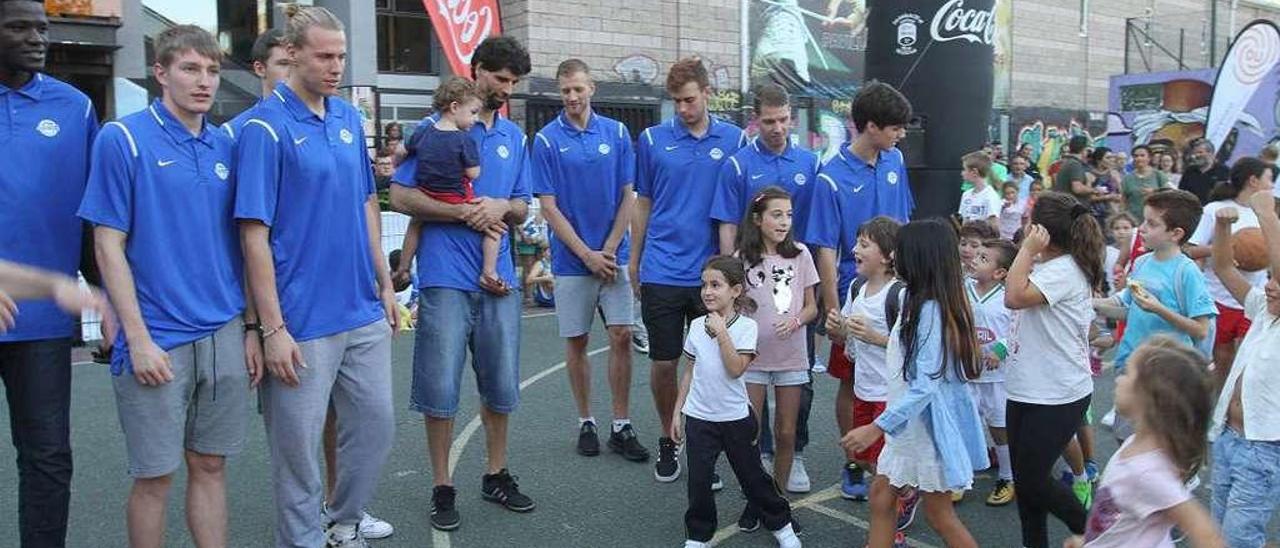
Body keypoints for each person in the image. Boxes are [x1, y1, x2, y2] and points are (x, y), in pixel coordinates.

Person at [79, 25, 255, 548]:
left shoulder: (224, 142)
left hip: (222, 330)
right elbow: (107, 245)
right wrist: (135, 339)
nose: (203, 81)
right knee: (154, 477)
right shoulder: (123, 137)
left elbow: (241, 243)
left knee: (210, 464)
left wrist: (250, 327)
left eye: (212, 70)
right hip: (156, 335)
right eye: (189, 69)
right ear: (161, 73)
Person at [234, 7, 399, 547]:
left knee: (376, 425)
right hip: (301, 320)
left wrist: (384, 284)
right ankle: (301, 540)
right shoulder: (264, 127)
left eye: (341, 56)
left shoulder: (349, 119)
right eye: (324, 56)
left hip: (361, 309)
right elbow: (253, 234)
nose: (335, 66)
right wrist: (270, 329)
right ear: (294, 53)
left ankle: (346, 519)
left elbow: (366, 203)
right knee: (297, 455)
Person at [388, 35, 534, 532]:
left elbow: (521, 205)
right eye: (498, 79)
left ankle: (496, 473)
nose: (505, 90)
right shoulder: (433, 128)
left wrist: (498, 209)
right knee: (440, 385)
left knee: (499, 383)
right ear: (476, 71)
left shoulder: (514, 138)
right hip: (446, 277)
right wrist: (462, 212)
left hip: (499, 280)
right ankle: (442, 484)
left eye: (513, 83)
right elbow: (402, 197)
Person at [0, 1, 100, 544]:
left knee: (47, 457)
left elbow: (93, 217)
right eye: (18, 27)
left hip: (41, 323)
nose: (36, 38)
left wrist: (111, 302)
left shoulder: (75, 107)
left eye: (41, 27)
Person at [631, 57, 747, 484]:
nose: (682, 108)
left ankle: (704, 446)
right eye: (676, 101)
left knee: (708, 364)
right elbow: (642, 202)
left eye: (690, 100)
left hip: (710, 276)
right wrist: (634, 259)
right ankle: (668, 436)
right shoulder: (652, 139)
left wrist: (732, 268)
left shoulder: (734, 139)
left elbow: (737, 206)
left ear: (707, 93)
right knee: (664, 364)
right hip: (661, 270)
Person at [842, 219, 988, 548]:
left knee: (939, 515)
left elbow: (925, 386)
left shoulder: (930, 310)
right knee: (881, 496)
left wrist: (876, 427)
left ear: (918, 258)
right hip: (909, 426)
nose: (895, 256)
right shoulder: (915, 298)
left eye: (901, 251)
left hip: (925, 429)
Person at [531, 59, 648, 462]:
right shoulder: (546, 140)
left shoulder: (616, 133)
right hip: (570, 262)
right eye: (565, 91)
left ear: (591, 87)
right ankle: (586, 421)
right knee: (577, 341)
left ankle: (621, 423)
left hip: (612, 257)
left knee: (620, 336)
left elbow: (628, 195)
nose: (572, 97)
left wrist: (611, 249)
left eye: (578, 89)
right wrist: (586, 254)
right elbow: (548, 206)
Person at [799, 81, 913, 491]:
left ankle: (902, 458)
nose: (900, 135)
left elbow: (904, 227)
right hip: (856, 297)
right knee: (853, 381)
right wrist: (836, 313)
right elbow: (825, 251)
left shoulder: (895, 161)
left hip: (900, 293)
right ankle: (854, 460)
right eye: (895, 127)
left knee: (906, 374)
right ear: (869, 126)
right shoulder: (830, 179)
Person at [711, 83, 820, 493]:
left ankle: (794, 458)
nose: (777, 128)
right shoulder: (738, 164)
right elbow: (726, 223)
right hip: (754, 289)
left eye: (783, 119)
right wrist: (729, 283)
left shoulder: (810, 162)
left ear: (792, 116)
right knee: (747, 406)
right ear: (756, 120)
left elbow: (819, 223)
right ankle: (752, 477)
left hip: (795, 287)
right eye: (769, 120)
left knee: (799, 390)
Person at [671, 256, 801, 548]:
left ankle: (781, 524)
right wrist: (678, 412)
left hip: (734, 418)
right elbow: (690, 371)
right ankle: (697, 535)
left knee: (753, 478)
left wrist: (721, 334)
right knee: (699, 483)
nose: (707, 291)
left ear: (735, 291)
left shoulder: (746, 328)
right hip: (700, 417)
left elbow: (735, 368)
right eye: (704, 284)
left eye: (716, 285)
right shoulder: (694, 326)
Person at [1004, 191, 1105, 548]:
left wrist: (1027, 250)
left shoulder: (1062, 270)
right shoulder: (1052, 266)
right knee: (1028, 488)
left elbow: (1013, 297)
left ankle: (1102, 534)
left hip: (1057, 394)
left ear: (1041, 230)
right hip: (1027, 388)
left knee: (1032, 482)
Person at [1063, 337, 1223, 548]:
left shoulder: (1147, 472)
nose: (1119, 378)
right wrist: (1088, 540)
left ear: (1149, 398)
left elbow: (1207, 535)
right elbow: (1114, 515)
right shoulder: (1134, 444)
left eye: (1128, 373)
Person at [736, 186, 818, 529]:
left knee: (786, 432)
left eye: (788, 214)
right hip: (752, 360)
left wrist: (796, 319)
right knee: (750, 433)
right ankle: (758, 499)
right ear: (758, 219)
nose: (784, 221)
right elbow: (733, 303)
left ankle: (777, 501)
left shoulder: (800, 255)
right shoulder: (742, 256)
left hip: (791, 358)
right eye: (776, 214)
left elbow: (812, 306)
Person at [1208, 190, 1280, 548]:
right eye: (1268, 277)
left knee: (1239, 539)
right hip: (1229, 438)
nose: (1269, 285)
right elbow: (1223, 267)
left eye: (1276, 281)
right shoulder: (1263, 310)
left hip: (1264, 448)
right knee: (1220, 531)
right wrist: (1222, 227)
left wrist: (1266, 213)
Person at [822, 216, 901, 503]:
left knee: (884, 468)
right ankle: (905, 493)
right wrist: (837, 328)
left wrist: (874, 337)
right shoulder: (857, 287)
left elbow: (912, 346)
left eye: (864, 244)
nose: (855, 249)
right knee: (867, 460)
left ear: (888, 256)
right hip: (863, 390)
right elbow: (847, 336)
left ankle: (895, 525)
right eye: (856, 242)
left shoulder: (898, 293)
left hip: (889, 394)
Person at [396, 78, 500, 293]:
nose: (474, 119)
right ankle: (489, 272)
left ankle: (404, 267)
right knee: (494, 229)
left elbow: (400, 152)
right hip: (456, 196)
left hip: (426, 193)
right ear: (454, 107)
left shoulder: (423, 131)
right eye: (472, 112)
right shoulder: (464, 140)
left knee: (416, 223)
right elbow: (473, 173)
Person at [1093, 189, 1214, 373]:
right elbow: (1132, 310)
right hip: (1130, 361)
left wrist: (1159, 309)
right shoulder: (1142, 262)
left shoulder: (1187, 272)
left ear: (1175, 234)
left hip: (1166, 371)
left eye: (1151, 224)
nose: (1140, 228)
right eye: (1143, 220)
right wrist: (1094, 304)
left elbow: (1201, 330)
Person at [1186, 157, 1275, 390]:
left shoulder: (1268, 215)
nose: (1272, 186)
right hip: (1218, 297)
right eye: (1269, 179)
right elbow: (1189, 249)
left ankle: (1241, 408)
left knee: (1249, 361)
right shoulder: (1216, 210)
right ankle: (1219, 410)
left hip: (1254, 298)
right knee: (1222, 362)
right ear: (1253, 181)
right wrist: (1225, 250)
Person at [967, 239, 1018, 506]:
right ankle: (961, 477)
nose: (975, 259)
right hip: (967, 373)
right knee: (965, 423)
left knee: (999, 428)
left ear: (1000, 273)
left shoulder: (1008, 298)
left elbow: (1019, 330)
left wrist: (1001, 347)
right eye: (977, 255)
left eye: (984, 258)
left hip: (997, 378)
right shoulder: (963, 289)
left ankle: (1008, 477)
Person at [221, 29, 290, 140]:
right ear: (260, 69)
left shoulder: (320, 120)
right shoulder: (235, 131)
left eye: (296, 64)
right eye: (283, 64)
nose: (293, 72)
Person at [1121, 145, 1168, 222]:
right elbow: (1123, 200)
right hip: (1133, 220)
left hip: (1155, 218)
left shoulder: (1158, 175)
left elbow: (1169, 193)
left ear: (1149, 158)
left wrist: (1155, 191)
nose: (1139, 158)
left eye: (1142, 155)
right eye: (1136, 156)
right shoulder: (1127, 178)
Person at [1179, 138, 1230, 205]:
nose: (1195, 156)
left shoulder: (1224, 172)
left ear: (1210, 153)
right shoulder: (1189, 171)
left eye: (1199, 152)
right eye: (1194, 153)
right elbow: (1181, 193)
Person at [958, 151, 1002, 227]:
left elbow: (994, 226)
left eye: (964, 169)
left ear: (974, 172)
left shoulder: (990, 196)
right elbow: (965, 223)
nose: (962, 173)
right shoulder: (966, 195)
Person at [1054, 135, 1093, 206]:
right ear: (1083, 149)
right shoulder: (1075, 164)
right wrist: (1094, 189)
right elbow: (1077, 189)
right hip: (1073, 210)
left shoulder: (1067, 162)